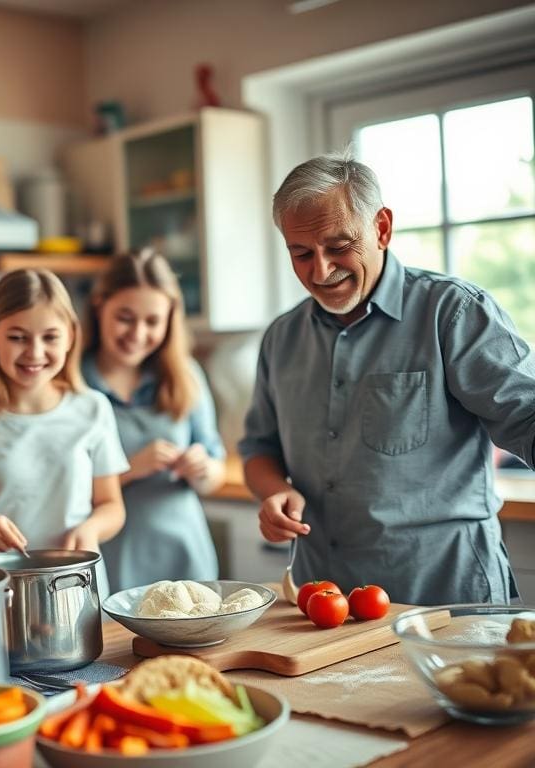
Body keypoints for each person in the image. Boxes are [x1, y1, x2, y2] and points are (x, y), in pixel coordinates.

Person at [239, 149, 535, 606]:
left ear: (381, 228)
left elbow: (526, 416)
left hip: (445, 594)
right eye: (301, 253)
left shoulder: (452, 312)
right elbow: (259, 448)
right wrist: (274, 491)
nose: (321, 270)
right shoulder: (282, 337)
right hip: (323, 599)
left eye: (339, 247)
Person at [0, 269, 127, 597]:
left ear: (70, 337)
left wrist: (92, 528)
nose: (34, 352)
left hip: (76, 584)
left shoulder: (93, 409)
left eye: (50, 337)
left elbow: (112, 506)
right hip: (0, 589)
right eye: (17, 337)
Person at [82, 250, 227, 591]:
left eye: (152, 322)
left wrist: (203, 469)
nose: (138, 332)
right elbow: (51, 490)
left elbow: (216, 467)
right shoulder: (71, 384)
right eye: (125, 317)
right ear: (100, 304)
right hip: (108, 559)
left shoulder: (185, 376)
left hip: (185, 554)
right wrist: (130, 468)